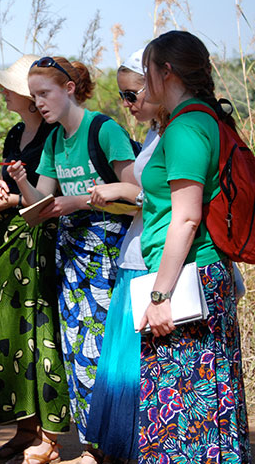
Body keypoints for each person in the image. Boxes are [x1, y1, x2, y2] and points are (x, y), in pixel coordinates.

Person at [8, 56, 136, 464]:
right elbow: (43, 204)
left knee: (104, 349)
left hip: (107, 252)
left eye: (45, 93)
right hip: (71, 254)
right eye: (34, 96)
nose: (39, 103)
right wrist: (22, 182)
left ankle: (111, 446)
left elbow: (136, 192)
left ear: (68, 89)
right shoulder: (53, 141)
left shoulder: (104, 129)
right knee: (76, 349)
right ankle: (92, 446)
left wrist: (79, 200)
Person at [136, 30, 250, 463]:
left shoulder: (186, 128)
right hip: (203, 276)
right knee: (207, 399)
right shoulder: (206, 119)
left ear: (167, 71)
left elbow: (185, 218)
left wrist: (160, 296)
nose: (145, 86)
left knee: (185, 407)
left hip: (187, 281)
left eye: (149, 73)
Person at [0, 55, 70, 463]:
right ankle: (24, 430)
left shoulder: (54, 136)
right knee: (10, 333)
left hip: (40, 241)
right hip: (9, 240)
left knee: (40, 333)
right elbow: (13, 180)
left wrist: (10, 198)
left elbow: (50, 193)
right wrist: (0, 188)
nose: (4, 92)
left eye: (11, 88)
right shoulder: (16, 133)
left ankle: (49, 436)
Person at [83, 48, 163, 463]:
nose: (128, 106)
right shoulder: (154, 133)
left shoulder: (175, 134)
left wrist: (122, 190)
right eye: (123, 97)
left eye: (133, 95)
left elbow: (170, 198)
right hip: (135, 255)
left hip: (154, 263)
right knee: (122, 366)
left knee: (137, 369)